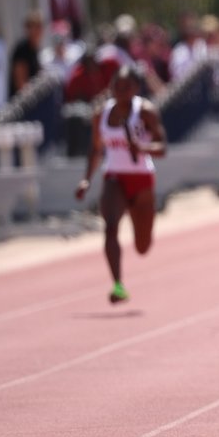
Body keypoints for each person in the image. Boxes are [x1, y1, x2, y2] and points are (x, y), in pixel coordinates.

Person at [74, 65, 167, 304]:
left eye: (127, 87)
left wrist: (142, 147)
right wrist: (87, 179)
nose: (121, 91)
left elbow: (162, 148)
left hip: (142, 179)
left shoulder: (145, 111)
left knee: (142, 246)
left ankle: (140, 235)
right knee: (110, 226)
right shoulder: (102, 114)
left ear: (136, 88)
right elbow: (96, 149)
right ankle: (117, 284)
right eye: (117, 86)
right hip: (114, 176)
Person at [9, 10, 44, 99]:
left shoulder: (35, 49)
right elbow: (20, 84)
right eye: (35, 26)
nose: (38, 30)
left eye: (40, 26)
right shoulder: (22, 49)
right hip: (21, 102)